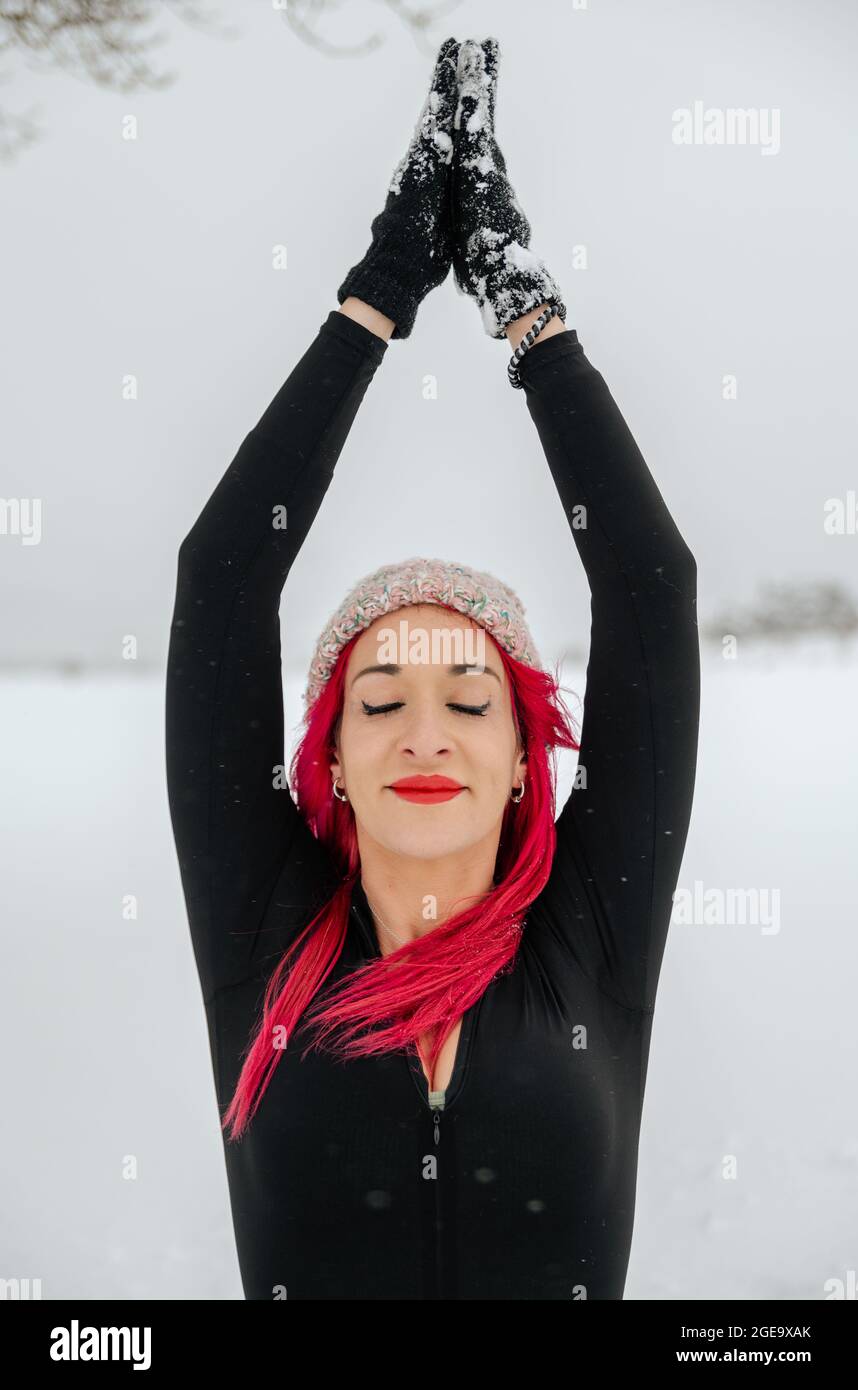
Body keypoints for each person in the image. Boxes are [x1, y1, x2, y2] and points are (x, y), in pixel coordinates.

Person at [165, 36, 700, 1300]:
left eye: (470, 701)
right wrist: (381, 291)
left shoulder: (593, 939)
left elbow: (649, 583)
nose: (424, 733)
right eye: (381, 700)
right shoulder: (266, 934)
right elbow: (225, 578)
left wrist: (526, 308)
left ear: (526, 758)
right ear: (331, 759)